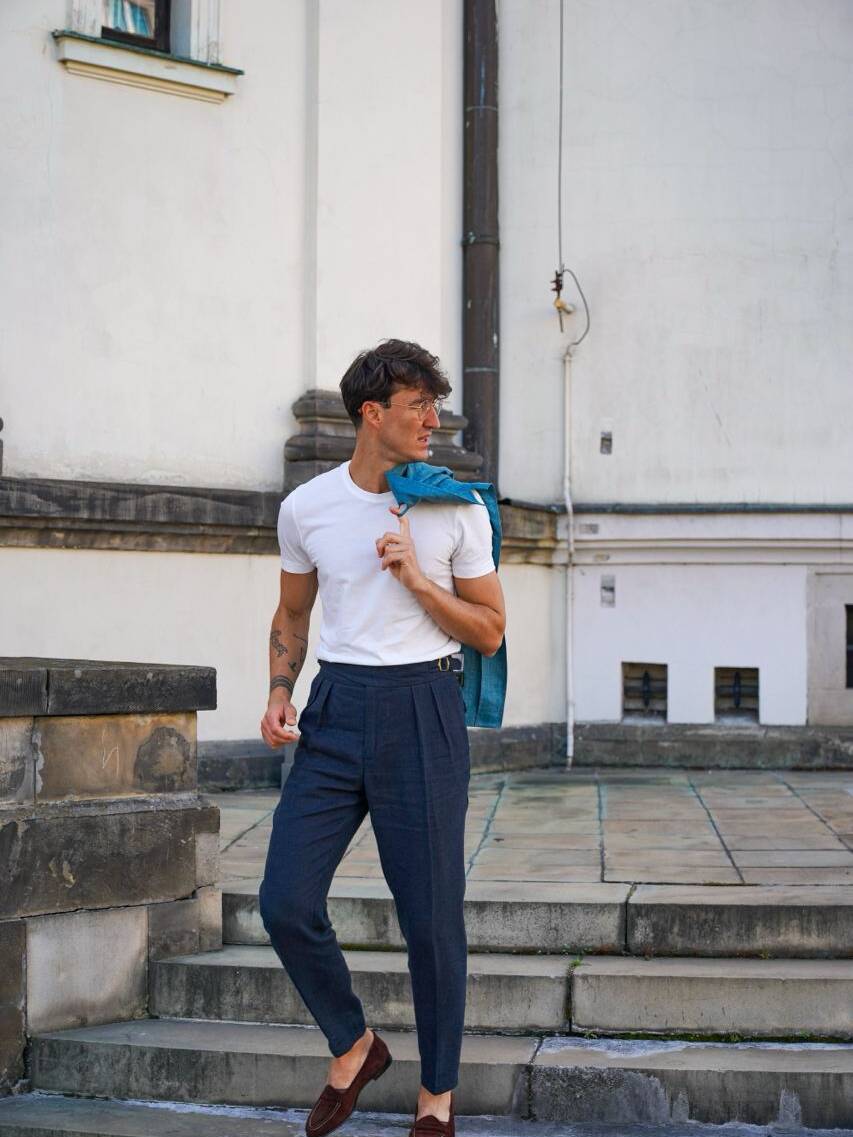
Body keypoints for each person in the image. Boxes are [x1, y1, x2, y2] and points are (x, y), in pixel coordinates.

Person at [258, 338, 506, 1137]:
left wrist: (415, 579)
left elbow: (490, 632)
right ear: (372, 414)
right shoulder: (308, 508)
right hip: (334, 710)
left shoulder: (454, 508)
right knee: (285, 900)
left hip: (421, 709)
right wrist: (277, 691)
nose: (433, 421)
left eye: (434, 405)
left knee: (431, 917)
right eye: (417, 408)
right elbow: (293, 613)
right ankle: (355, 1043)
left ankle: (436, 1099)